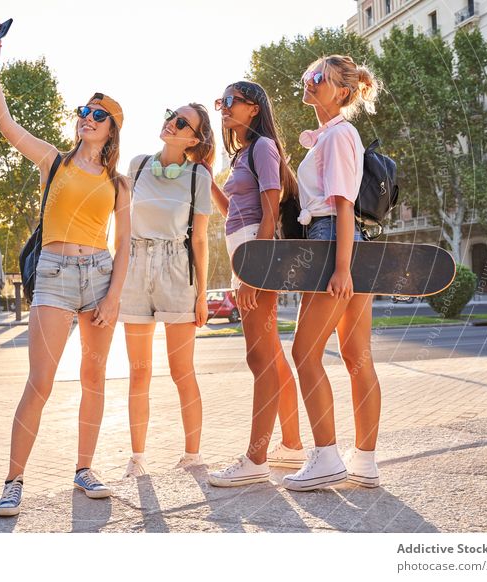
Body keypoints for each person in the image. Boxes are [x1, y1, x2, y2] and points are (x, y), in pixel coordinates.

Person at [0, 24, 131, 516]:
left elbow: (125, 245)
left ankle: (84, 469)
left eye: (98, 114)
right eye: (84, 111)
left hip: (101, 276)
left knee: (94, 377)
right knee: (39, 383)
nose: (88, 117)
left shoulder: (119, 183)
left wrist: (113, 297)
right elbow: (6, 124)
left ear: (111, 129)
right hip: (54, 275)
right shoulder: (55, 161)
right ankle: (13, 480)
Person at [283, 55, 382, 492]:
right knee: (356, 355)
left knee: (305, 353)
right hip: (342, 243)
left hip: (331, 245)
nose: (308, 81)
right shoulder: (329, 136)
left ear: (341, 91)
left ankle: (326, 456)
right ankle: (366, 462)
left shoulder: (340, 134)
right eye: (306, 75)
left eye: (317, 77)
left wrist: (341, 268)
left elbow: (341, 203)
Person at [206, 81, 305, 487]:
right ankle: (293, 444)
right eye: (221, 102)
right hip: (244, 253)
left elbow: (269, 211)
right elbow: (234, 212)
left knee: (259, 359)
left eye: (232, 101)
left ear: (254, 108)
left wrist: (254, 271)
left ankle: (255, 458)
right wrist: (207, 177)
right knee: (272, 356)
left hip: (256, 256)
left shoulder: (263, 147)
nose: (225, 108)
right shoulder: (243, 153)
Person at [120, 105, 214, 478]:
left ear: (193, 138)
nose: (170, 123)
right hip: (136, 267)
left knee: (182, 371)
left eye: (181, 123)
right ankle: (137, 458)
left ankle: (192, 455)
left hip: (178, 270)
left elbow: (202, 240)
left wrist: (202, 294)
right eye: (171, 115)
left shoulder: (197, 178)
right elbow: (123, 227)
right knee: (138, 371)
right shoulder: (138, 165)